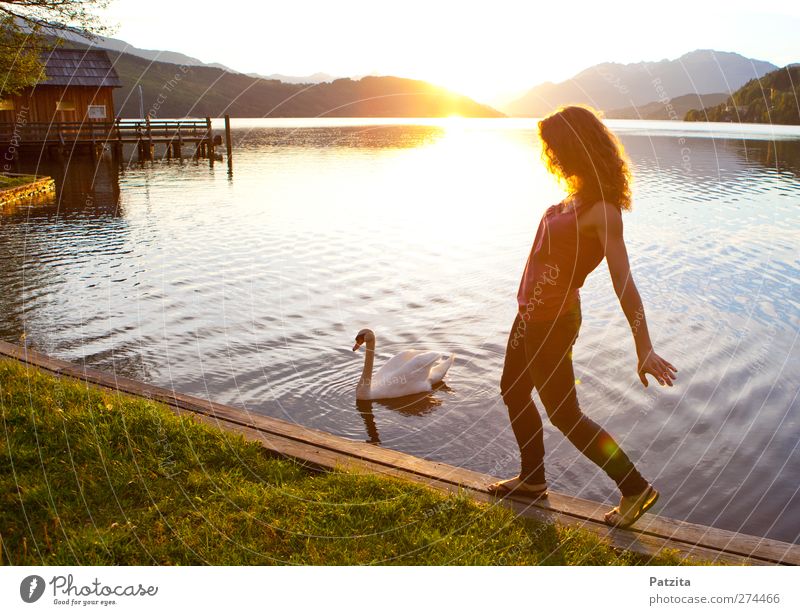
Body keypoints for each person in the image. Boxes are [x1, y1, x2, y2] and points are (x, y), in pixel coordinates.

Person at [487, 105, 678, 528]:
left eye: (556, 148)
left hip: (554, 322)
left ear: (576, 146)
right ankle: (533, 479)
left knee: (564, 414)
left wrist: (643, 346)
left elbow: (624, 282)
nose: (551, 156)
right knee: (513, 392)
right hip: (529, 316)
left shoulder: (603, 212)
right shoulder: (577, 196)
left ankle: (634, 487)